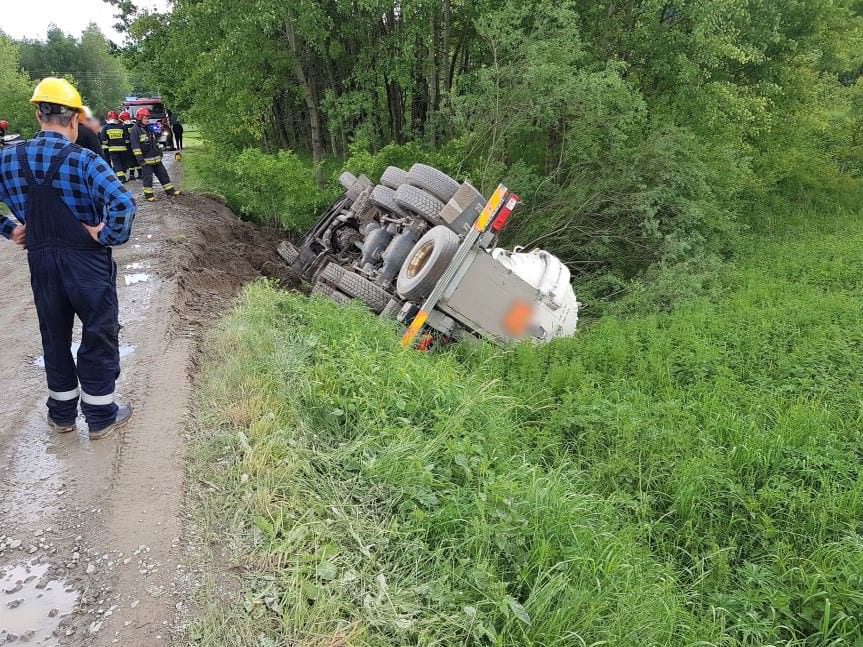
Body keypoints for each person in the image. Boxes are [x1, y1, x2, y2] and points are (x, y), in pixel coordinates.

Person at [0, 77, 136, 439]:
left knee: (54, 336)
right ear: (75, 118)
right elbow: (123, 204)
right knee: (98, 333)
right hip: (86, 264)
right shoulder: (85, 160)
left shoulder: (8, 158)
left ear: (38, 114)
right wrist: (106, 235)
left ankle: (61, 416)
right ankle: (101, 417)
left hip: (42, 263)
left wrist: (10, 229)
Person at [130, 108, 181, 202]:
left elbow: (156, 140)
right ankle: (149, 196)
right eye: (146, 118)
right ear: (140, 118)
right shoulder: (135, 130)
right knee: (148, 179)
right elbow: (135, 147)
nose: (147, 120)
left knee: (164, 175)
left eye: (148, 118)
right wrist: (140, 160)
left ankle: (171, 191)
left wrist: (158, 131)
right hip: (146, 160)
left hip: (156, 158)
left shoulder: (149, 127)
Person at [101, 111, 129, 182]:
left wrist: (108, 143)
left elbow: (103, 139)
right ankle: (124, 176)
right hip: (123, 149)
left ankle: (121, 178)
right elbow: (126, 137)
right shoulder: (121, 126)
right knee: (123, 162)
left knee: (117, 163)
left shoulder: (106, 127)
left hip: (112, 149)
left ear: (109, 117)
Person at [119, 111, 140, 181]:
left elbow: (123, 137)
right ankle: (140, 173)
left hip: (128, 146)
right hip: (136, 145)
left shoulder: (123, 127)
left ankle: (131, 175)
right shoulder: (134, 125)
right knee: (136, 159)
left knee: (130, 160)